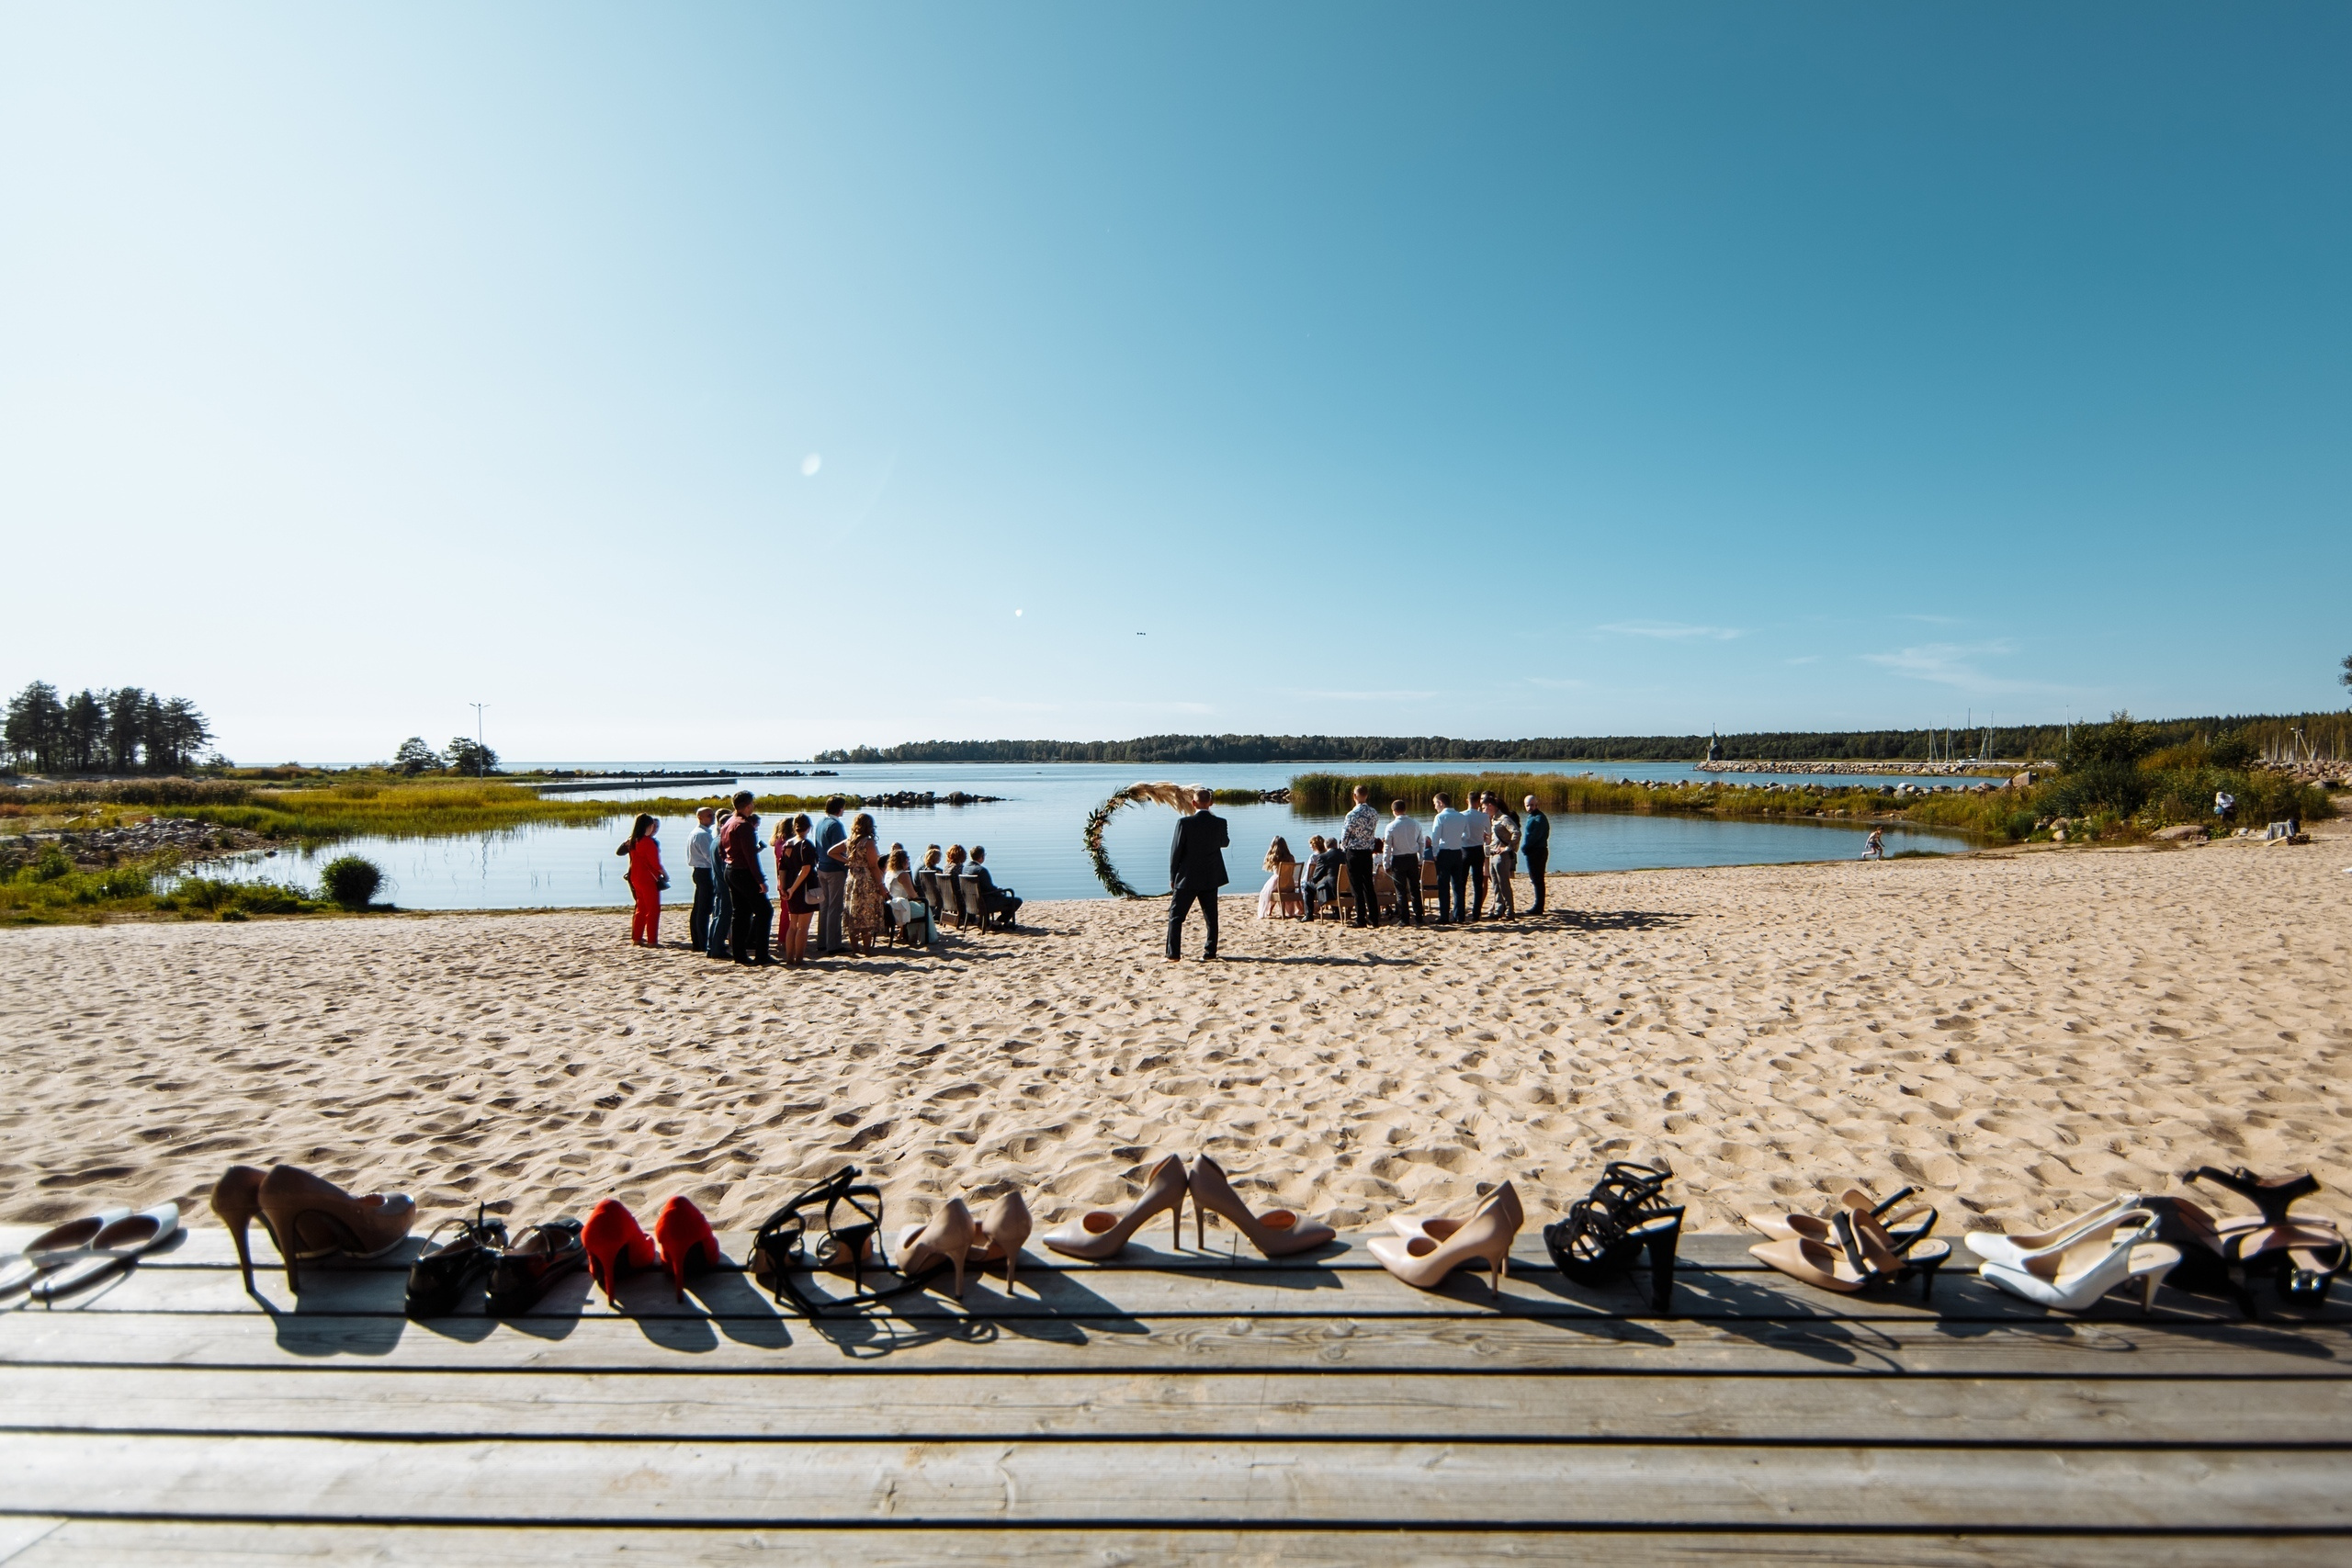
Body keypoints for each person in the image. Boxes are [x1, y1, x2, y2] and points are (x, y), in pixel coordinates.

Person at [1166, 786, 1228, 961]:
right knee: (1211, 917)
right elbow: (1225, 843)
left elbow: (1175, 852)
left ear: (1193, 803)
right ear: (1211, 803)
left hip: (1187, 876)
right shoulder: (1220, 822)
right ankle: (1210, 953)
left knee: (1176, 916)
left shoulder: (1184, 823)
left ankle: (1173, 954)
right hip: (1211, 876)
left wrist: (1173, 876)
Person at [831, 811, 886, 958]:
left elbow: (831, 852)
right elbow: (874, 866)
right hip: (865, 879)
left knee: (853, 912)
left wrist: (848, 861)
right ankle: (867, 950)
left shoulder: (850, 841)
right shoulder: (868, 842)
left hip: (852, 878)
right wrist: (881, 884)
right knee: (866, 913)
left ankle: (855, 948)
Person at [723, 804, 774, 963]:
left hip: (730, 869)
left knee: (741, 913)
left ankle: (740, 955)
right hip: (743, 871)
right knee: (765, 911)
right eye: (751, 804)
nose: (753, 807)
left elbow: (721, 848)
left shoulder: (728, 822)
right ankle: (761, 955)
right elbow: (751, 857)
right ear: (747, 805)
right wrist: (761, 880)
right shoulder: (744, 826)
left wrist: (727, 860)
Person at [776, 813, 820, 966]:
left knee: (793, 924)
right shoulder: (806, 845)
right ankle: (799, 959)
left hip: (790, 886)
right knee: (803, 926)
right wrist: (793, 889)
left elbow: (782, 868)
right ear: (808, 828)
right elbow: (806, 869)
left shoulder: (787, 844)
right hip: (802, 887)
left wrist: (783, 887)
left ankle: (789, 958)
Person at [616, 813, 665, 946]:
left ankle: (637, 938)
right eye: (652, 826)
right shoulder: (648, 842)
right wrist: (664, 874)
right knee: (653, 910)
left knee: (641, 908)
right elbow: (655, 863)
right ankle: (652, 940)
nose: (653, 829)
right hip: (648, 879)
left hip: (635, 878)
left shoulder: (633, 841)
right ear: (648, 826)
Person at [1338, 784, 1382, 928]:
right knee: (1368, 885)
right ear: (1366, 795)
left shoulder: (1352, 814)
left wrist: (1343, 846)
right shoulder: (1374, 813)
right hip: (1367, 852)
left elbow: (1345, 835)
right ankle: (1374, 918)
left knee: (1356, 886)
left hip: (1354, 852)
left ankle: (1361, 918)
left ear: (1354, 796)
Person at [812, 795, 850, 954]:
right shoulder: (836, 825)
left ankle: (822, 941)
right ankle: (833, 944)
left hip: (821, 867)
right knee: (835, 906)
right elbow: (840, 849)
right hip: (834, 869)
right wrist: (846, 865)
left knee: (825, 905)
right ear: (840, 808)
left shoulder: (820, 822)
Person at [1428, 792, 1470, 922]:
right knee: (1458, 885)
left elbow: (1435, 837)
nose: (1435, 807)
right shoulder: (1461, 816)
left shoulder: (1440, 817)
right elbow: (1467, 835)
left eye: (1435, 804)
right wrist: (1456, 839)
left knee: (1443, 885)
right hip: (1457, 852)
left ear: (1441, 803)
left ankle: (1444, 916)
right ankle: (1459, 915)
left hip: (1444, 852)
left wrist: (1434, 853)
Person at [1384, 798, 1425, 926]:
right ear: (1405, 809)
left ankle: (1404, 919)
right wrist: (1421, 859)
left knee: (1400, 891)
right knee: (1415, 889)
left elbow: (1387, 846)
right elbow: (1421, 842)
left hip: (1399, 859)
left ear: (1394, 811)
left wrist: (1386, 863)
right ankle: (1419, 917)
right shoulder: (1416, 824)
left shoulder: (1391, 826)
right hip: (1412, 858)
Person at [885, 846, 933, 947]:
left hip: (891, 906)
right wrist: (920, 898)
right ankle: (926, 937)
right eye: (908, 859)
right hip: (901, 906)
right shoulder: (903, 875)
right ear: (904, 860)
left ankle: (905, 932)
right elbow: (912, 895)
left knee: (915, 905)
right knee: (925, 908)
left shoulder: (889, 873)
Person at [967, 846, 1023, 928]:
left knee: (1003, 896)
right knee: (1017, 901)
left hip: (971, 903)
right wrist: (999, 892)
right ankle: (997, 922)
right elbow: (989, 888)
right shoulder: (981, 870)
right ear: (982, 856)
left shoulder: (965, 868)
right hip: (984, 903)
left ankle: (1003, 922)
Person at [686, 807, 717, 952]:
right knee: (703, 909)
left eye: (713, 815)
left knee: (698, 908)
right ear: (700, 817)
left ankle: (698, 942)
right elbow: (709, 857)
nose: (713, 817)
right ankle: (701, 942)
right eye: (709, 815)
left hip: (700, 871)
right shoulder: (703, 834)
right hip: (704, 872)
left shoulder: (696, 832)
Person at [706, 807, 735, 960]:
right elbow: (726, 866)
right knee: (724, 915)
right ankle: (716, 948)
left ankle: (713, 946)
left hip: (717, 882)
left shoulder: (715, 841)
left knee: (718, 915)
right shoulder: (722, 842)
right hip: (724, 884)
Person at [1461, 792, 1493, 919]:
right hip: (1478, 849)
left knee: (1462, 881)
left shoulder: (1461, 815)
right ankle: (1476, 913)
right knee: (1477, 882)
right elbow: (1489, 833)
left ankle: (1461, 912)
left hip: (1464, 850)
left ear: (1466, 801)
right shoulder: (1483, 817)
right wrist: (1483, 837)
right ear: (1478, 802)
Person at [1488, 801, 1520, 919]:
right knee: (1496, 884)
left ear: (1491, 806)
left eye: (1485, 807)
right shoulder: (1493, 820)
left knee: (1504, 884)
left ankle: (1510, 911)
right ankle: (1499, 909)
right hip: (1492, 854)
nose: (1483, 809)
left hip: (1502, 856)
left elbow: (1516, 832)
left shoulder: (1504, 818)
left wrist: (1508, 847)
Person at [1521, 795, 1551, 916]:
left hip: (1538, 851)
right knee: (1535, 879)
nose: (1530, 807)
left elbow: (1535, 836)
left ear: (1537, 805)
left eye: (1532, 805)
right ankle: (1539, 905)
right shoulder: (1531, 817)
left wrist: (1525, 847)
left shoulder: (1539, 818)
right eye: (1527, 805)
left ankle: (1539, 907)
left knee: (1538, 879)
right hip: (1533, 850)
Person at [1257, 835, 1297, 920]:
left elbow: (1269, 866)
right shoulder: (1291, 857)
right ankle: (1271, 911)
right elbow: (1292, 872)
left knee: (1266, 892)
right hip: (1290, 883)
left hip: (1278, 882)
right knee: (1272, 890)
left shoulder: (1275, 857)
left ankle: (1269, 910)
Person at [1301, 835, 1340, 920]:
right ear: (1336, 845)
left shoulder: (1324, 857)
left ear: (1326, 846)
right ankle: (1336, 913)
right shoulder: (1345, 856)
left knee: (1307, 886)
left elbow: (1316, 877)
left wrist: (1313, 880)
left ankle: (1309, 915)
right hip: (1345, 889)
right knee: (1332, 882)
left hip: (1330, 890)